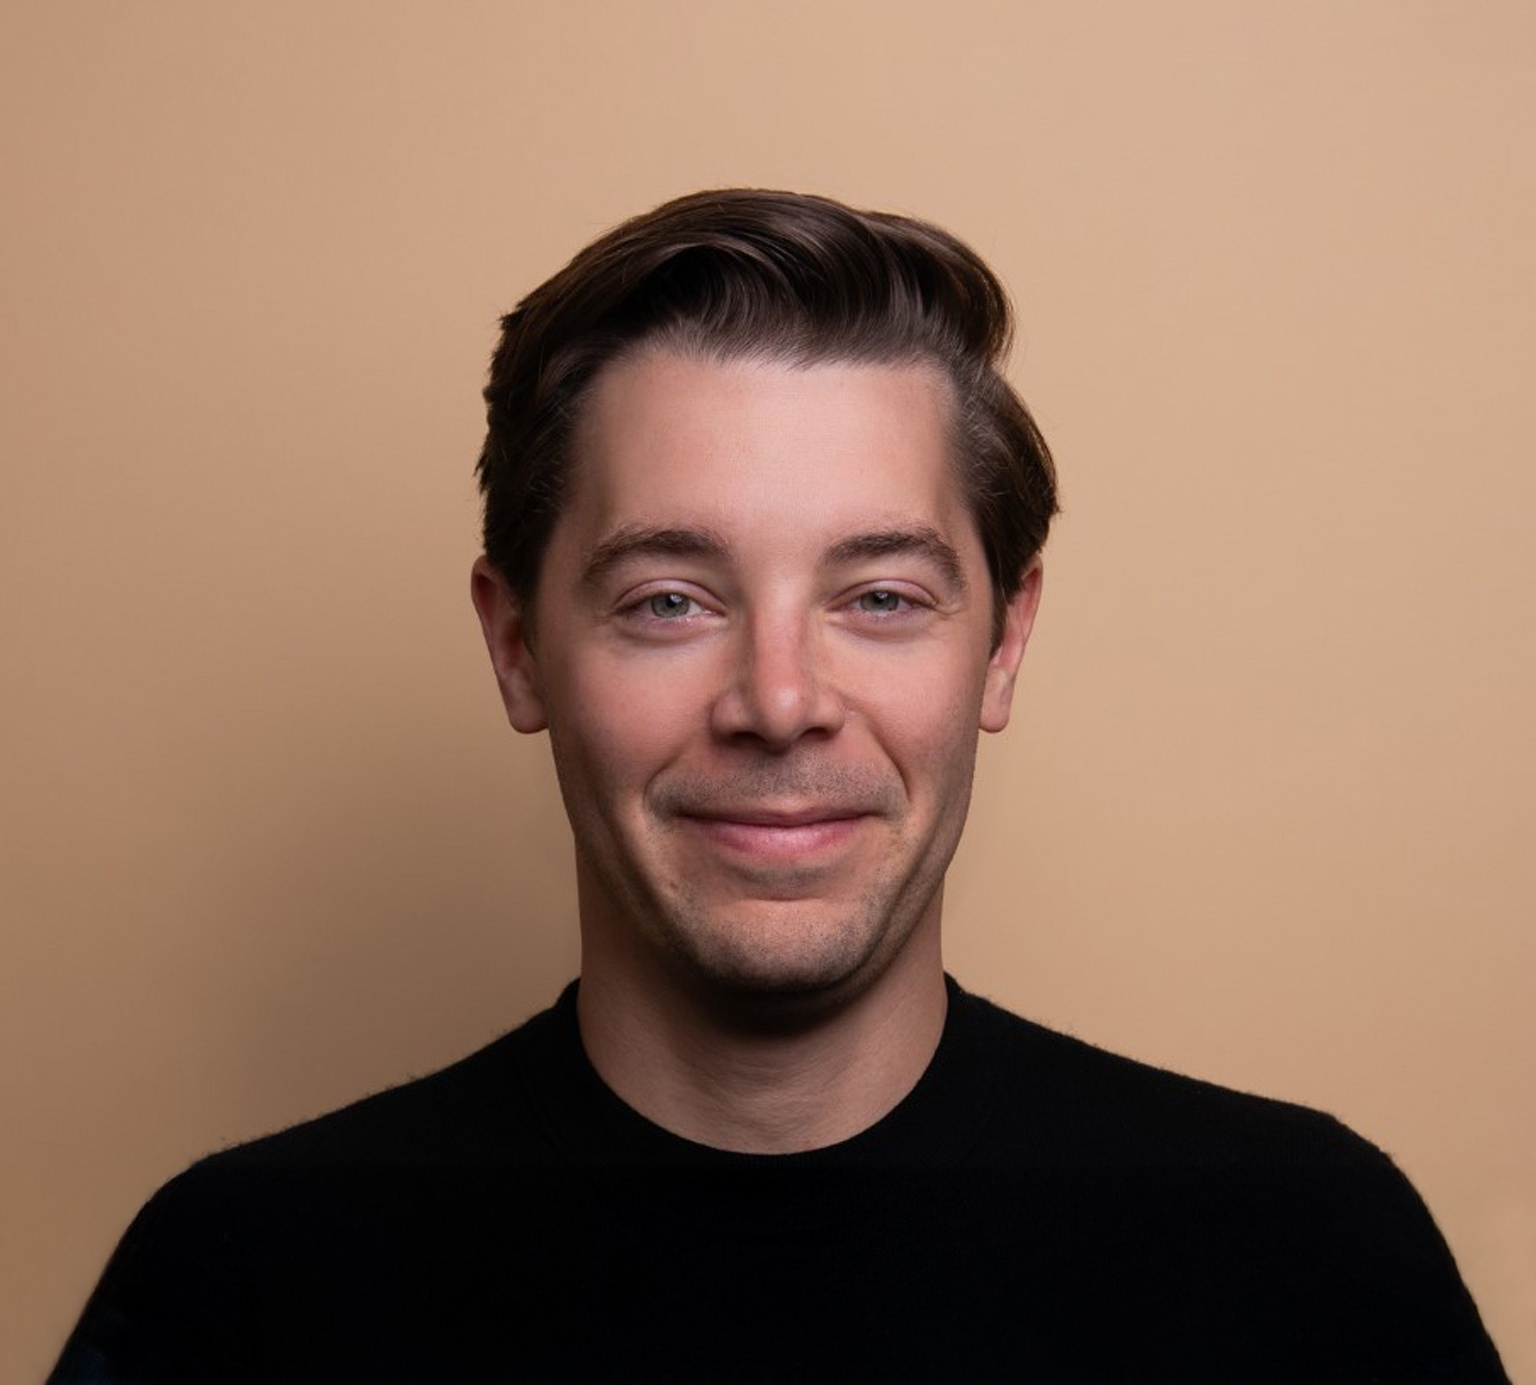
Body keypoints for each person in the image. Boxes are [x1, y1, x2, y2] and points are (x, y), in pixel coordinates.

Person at [50, 190, 1507, 1383]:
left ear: (1002, 648)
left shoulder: (1306, 1259)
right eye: (670, 601)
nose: (782, 703)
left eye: (878, 597)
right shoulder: (238, 1288)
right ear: (517, 649)